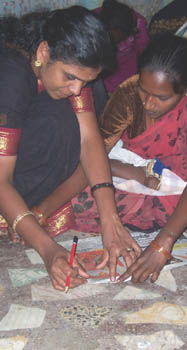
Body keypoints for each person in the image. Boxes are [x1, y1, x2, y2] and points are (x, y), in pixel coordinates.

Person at [70, 32, 187, 283]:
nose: (149, 104)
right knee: (79, 197)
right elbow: (94, 155)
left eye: (162, 98)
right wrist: (41, 211)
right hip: (141, 179)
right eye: (144, 92)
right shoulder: (128, 94)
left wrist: (163, 243)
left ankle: (168, 223)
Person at [0, 6, 141, 291]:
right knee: (56, 124)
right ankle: (20, 214)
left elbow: (90, 141)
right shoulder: (11, 79)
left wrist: (110, 222)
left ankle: (31, 211)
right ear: (43, 53)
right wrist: (48, 249)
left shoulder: (69, 68)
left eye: (83, 80)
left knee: (79, 108)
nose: (77, 89)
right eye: (70, 77)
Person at [94, 0, 149, 94]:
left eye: (119, 39)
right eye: (112, 39)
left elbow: (144, 50)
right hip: (102, 63)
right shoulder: (94, 20)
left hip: (128, 63)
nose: (115, 43)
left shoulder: (138, 24)